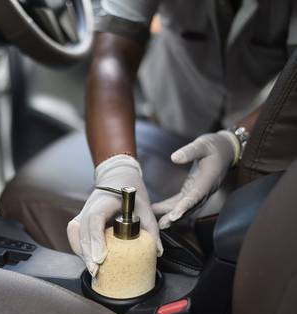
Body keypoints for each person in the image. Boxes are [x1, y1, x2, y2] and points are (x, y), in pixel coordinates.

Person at [67, 0, 297, 276]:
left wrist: (235, 141)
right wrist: (116, 169)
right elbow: (112, 56)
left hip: (263, 128)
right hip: (173, 114)